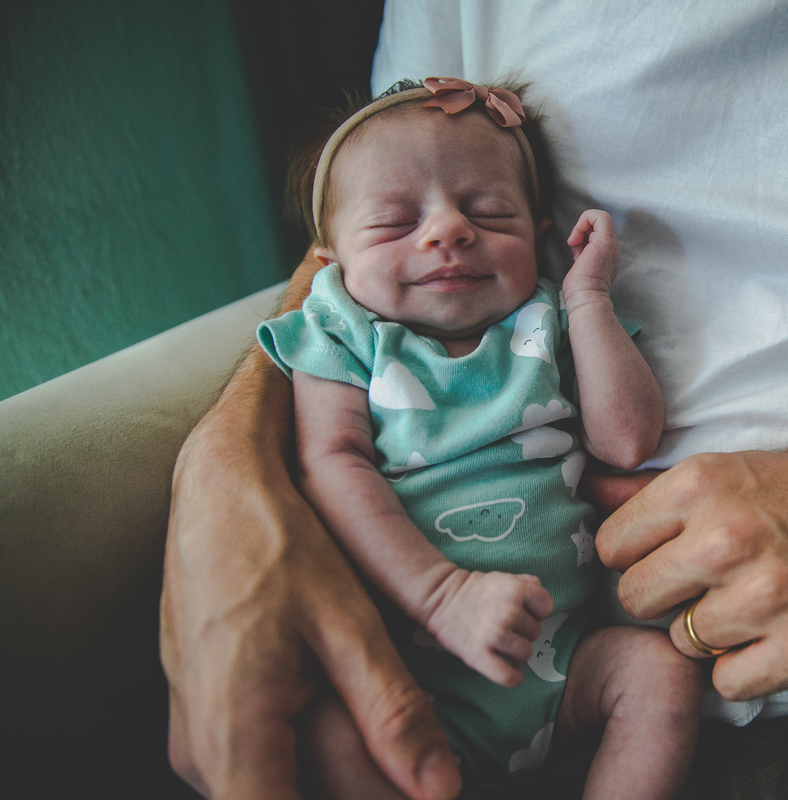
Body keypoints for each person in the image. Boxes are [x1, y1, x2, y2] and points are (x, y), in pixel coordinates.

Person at [161, 2, 788, 799]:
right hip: (467, 660)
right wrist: (220, 475)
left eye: (485, 208)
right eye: (412, 220)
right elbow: (348, 242)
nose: (447, 234)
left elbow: (617, 419)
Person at [253, 77, 699, 798]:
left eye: (490, 213)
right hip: (413, 672)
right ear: (330, 258)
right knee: (327, 733)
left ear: (539, 237)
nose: (449, 230)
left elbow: (627, 441)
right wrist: (443, 597)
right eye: (396, 221)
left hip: (562, 666)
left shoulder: (548, 321)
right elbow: (330, 461)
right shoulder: (345, 333)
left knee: (658, 673)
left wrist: (587, 299)